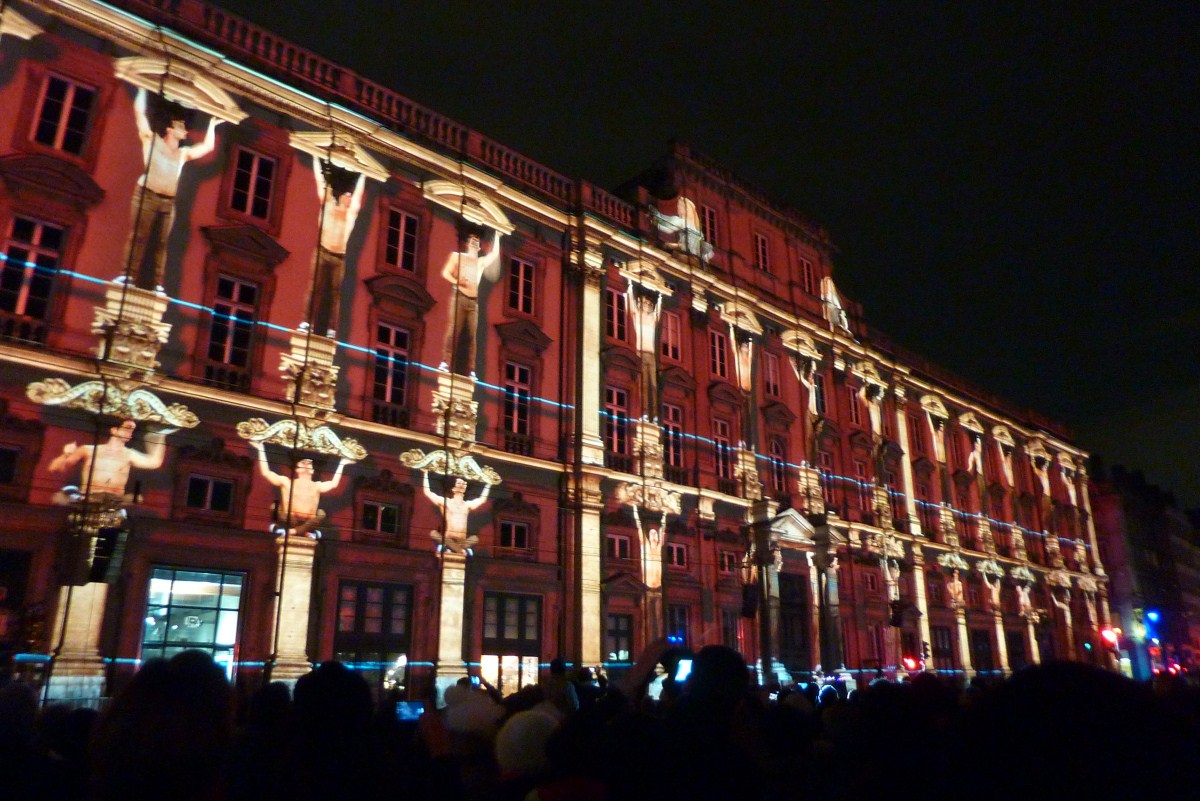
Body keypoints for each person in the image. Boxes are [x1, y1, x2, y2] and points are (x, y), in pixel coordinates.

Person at [120, 88, 220, 293]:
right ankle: (127, 275)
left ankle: (157, 282)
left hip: (168, 201)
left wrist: (212, 125)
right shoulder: (152, 141)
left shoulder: (182, 154)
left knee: (162, 243)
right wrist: (141, 87)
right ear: (169, 129)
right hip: (146, 195)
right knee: (139, 236)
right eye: (180, 127)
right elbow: (140, 114)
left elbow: (207, 147)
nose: (184, 131)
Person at [301, 160, 365, 337]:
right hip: (323, 251)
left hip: (340, 257)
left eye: (350, 195)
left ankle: (331, 328)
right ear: (341, 196)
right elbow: (320, 181)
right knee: (315, 288)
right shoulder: (328, 205)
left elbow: (358, 195)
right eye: (347, 194)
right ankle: (306, 321)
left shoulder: (349, 216)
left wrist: (364, 173)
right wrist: (314, 157)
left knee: (336, 295)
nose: (349, 197)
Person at [48, 419, 167, 500]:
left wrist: (159, 437)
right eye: (127, 428)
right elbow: (55, 468)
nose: (130, 432)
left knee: (109, 536)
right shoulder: (89, 450)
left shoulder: (129, 454)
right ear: (114, 430)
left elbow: (154, 462)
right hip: (88, 500)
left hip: (113, 503)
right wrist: (66, 454)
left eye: (132, 430)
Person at [439, 227, 501, 376]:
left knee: (472, 336)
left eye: (476, 243)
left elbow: (494, 255)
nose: (474, 245)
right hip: (459, 296)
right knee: (453, 331)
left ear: (479, 247)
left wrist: (498, 236)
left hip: (473, 302)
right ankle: (445, 362)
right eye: (472, 242)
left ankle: (472, 369)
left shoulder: (479, 262)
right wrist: (457, 281)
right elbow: (445, 272)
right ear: (467, 244)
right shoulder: (457, 257)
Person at [253, 442, 348, 537]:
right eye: (303, 462)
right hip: (290, 519)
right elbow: (266, 473)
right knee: (275, 507)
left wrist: (342, 463)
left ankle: (294, 531)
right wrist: (260, 449)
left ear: (312, 470)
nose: (306, 464)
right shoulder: (287, 482)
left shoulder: (317, 486)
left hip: (308, 522)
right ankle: (303, 532)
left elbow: (334, 484)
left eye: (309, 463)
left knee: (321, 513)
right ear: (297, 469)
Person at [422, 473, 490, 553]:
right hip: (449, 539)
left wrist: (488, 484)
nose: (461, 485)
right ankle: (459, 550)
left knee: (475, 538)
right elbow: (427, 492)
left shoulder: (467, 505)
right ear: (453, 488)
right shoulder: (446, 502)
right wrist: (425, 473)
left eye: (463, 484)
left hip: (462, 541)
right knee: (433, 533)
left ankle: (454, 549)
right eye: (458, 483)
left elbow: (482, 499)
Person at [627, 287, 661, 419]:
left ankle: (654, 413)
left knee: (653, 385)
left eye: (648, 304)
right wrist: (630, 288)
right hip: (640, 353)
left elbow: (658, 312)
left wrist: (661, 297)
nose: (646, 305)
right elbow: (630, 306)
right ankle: (645, 411)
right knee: (643, 384)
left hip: (651, 355)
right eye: (643, 303)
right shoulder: (638, 317)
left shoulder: (652, 319)